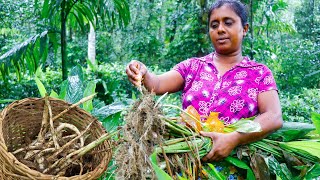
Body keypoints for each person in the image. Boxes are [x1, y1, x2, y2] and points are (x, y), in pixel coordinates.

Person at [126, 0, 282, 168]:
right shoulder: (193, 66)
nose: (220, 29)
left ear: (244, 29)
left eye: (228, 23)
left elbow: (273, 116)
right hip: (186, 166)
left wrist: (234, 138)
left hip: (235, 167)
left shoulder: (259, 73)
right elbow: (156, 83)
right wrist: (142, 70)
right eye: (214, 25)